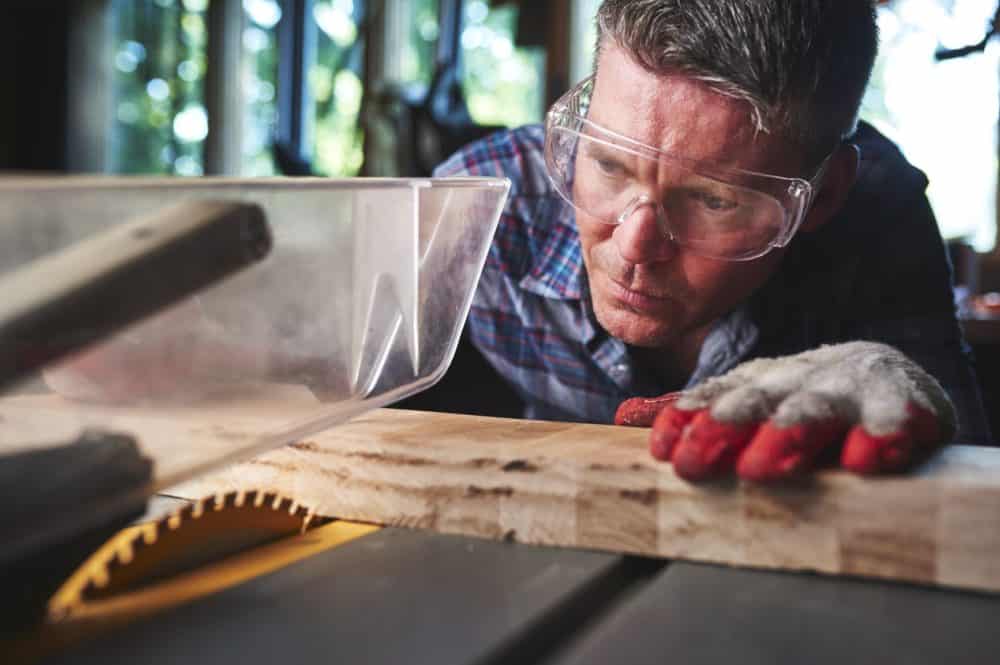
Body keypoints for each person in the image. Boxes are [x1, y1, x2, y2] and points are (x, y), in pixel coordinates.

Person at [434, 0, 992, 481]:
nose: (634, 246)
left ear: (821, 197)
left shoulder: (875, 211)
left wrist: (907, 389)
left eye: (712, 200)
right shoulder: (485, 206)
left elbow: (971, 494)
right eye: (607, 163)